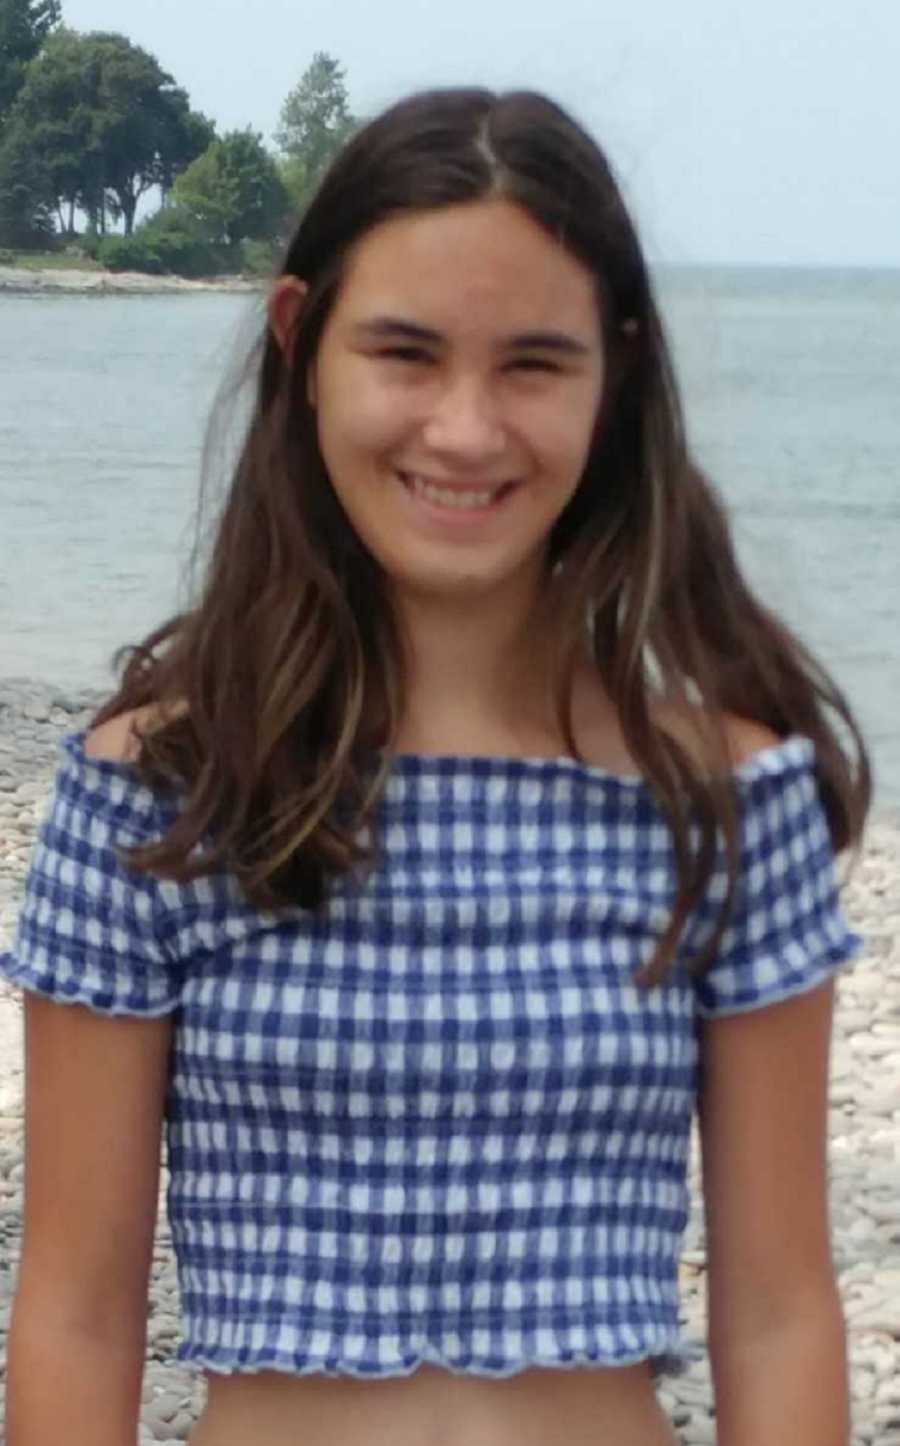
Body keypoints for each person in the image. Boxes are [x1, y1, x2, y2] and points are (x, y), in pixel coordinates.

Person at [1, 87, 869, 1446]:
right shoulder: (161, 795)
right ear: (301, 343)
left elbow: (776, 1307)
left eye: (533, 362)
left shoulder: (724, 801)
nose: (466, 430)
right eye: (405, 352)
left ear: (618, 369)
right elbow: (73, 1308)